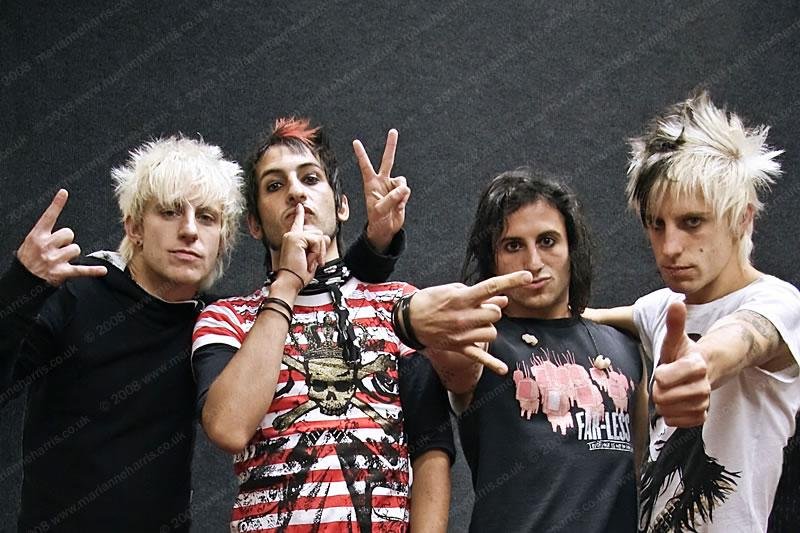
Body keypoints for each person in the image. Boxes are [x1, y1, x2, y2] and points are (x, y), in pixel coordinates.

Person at [0, 135, 403, 532]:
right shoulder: (80, 292)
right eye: (171, 212)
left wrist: (376, 244)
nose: (190, 231)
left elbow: (325, 299)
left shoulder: (214, 320)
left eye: (207, 218)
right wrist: (22, 284)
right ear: (134, 226)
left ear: (223, 239)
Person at [193, 118, 455, 532]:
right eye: (274, 185)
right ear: (254, 224)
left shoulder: (400, 308)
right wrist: (287, 285)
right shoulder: (228, 318)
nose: (296, 192)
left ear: (342, 205)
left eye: (311, 178)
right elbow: (228, 427)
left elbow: (431, 451)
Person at [586, 91, 800, 532]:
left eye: (692, 222)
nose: (670, 247)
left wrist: (698, 367)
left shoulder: (777, 304)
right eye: (656, 224)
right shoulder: (662, 308)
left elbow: (742, 339)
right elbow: (584, 319)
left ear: (742, 218)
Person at [410, 169, 647, 532]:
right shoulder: (481, 342)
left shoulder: (624, 347)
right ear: (492, 259)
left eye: (548, 241)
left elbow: (640, 469)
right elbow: (438, 337)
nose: (534, 262)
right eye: (513, 246)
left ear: (571, 248)